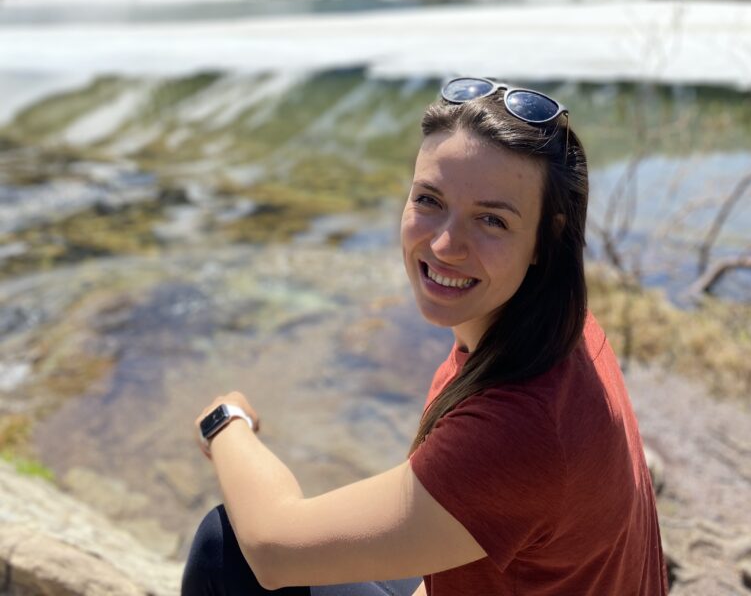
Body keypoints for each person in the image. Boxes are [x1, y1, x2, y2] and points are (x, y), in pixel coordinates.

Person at [182, 77, 668, 596]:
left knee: (225, 546)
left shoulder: (522, 424)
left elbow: (271, 548)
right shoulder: (562, 332)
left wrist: (226, 424)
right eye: (429, 200)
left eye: (491, 220)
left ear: (544, 240)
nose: (444, 244)